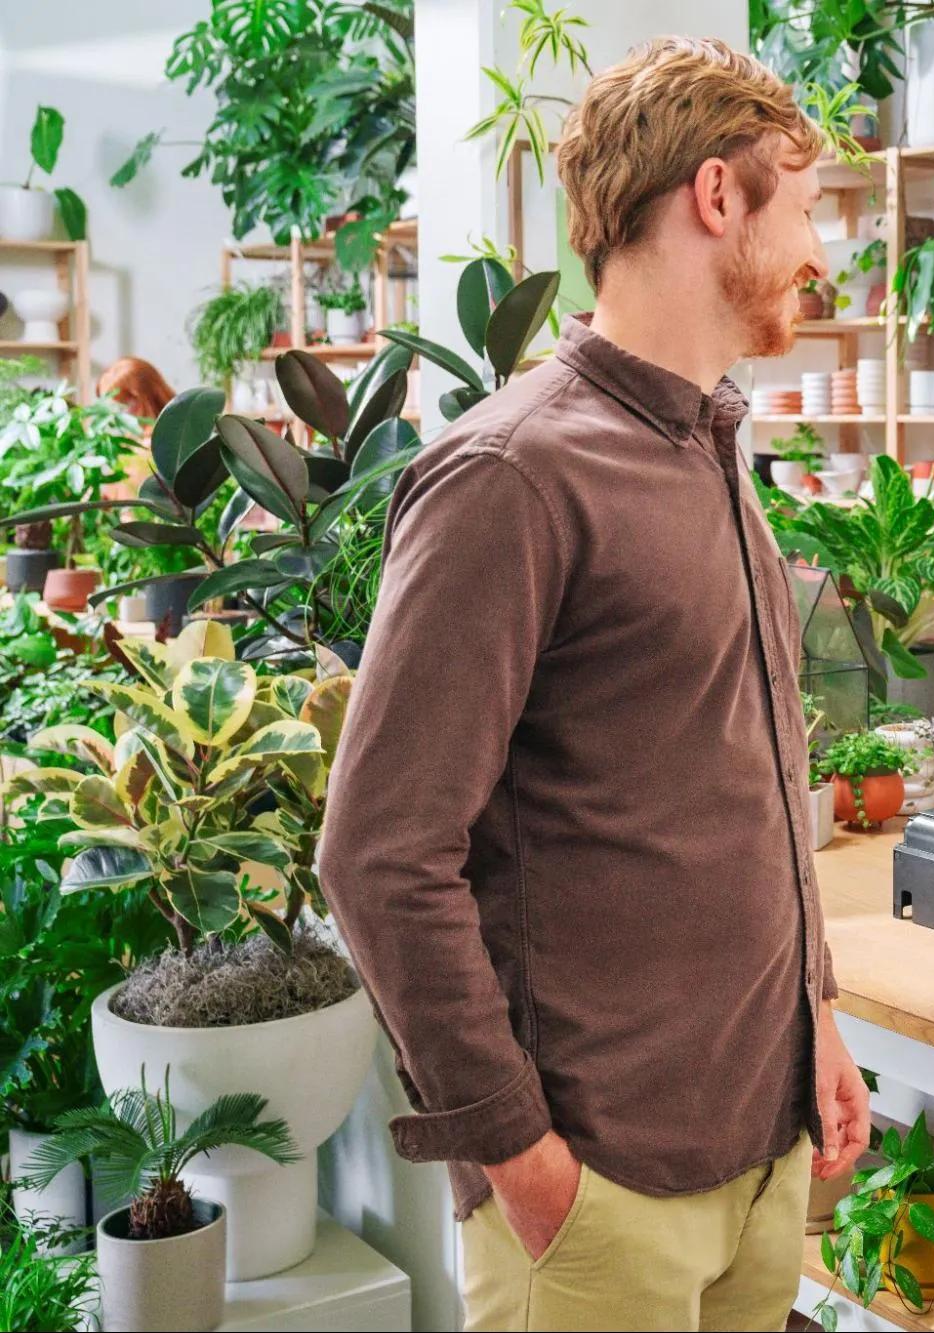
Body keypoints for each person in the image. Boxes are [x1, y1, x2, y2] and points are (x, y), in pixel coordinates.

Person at [319, 37, 869, 1332]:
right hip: (594, 1190)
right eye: (801, 208)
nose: (815, 251)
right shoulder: (511, 476)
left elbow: (743, 777)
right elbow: (380, 852)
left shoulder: (710, 445)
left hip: (756, 1148)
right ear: (715, 196)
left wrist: (818, 1024)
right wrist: (519, 1156)